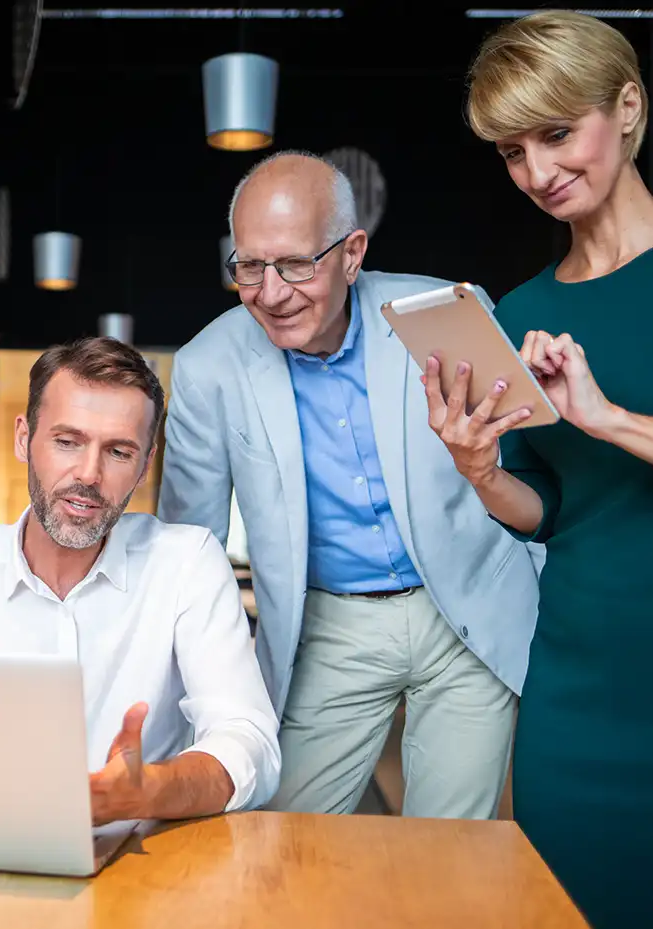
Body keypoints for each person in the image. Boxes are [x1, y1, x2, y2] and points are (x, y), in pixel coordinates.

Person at [158, 151, 541, 819]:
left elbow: (529, 468)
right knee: (282, 843)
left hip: (465, 607)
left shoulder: (451, 314)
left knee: (447, 854)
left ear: (351, 252)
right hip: (324, 624)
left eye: (295, 264)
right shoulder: (205, 367)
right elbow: (189, 546)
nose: (270, 292)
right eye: (250, 266)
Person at [422, 12, 653, 928]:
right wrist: (478, 469)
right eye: (512, 152)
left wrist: (609, 420)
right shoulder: (518, 311)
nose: (536, 172)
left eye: (557, 133)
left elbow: (599, 436)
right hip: (576, 688)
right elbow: (544, 508)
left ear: (627, 107)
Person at [0, 337, 280, 824]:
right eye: (67, 441)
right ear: (24, 439)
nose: (89, 474)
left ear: (145, 464)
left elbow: (248, 741)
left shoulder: (186, 564)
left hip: (141, 866)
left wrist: (148, 791)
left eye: (119, 452)